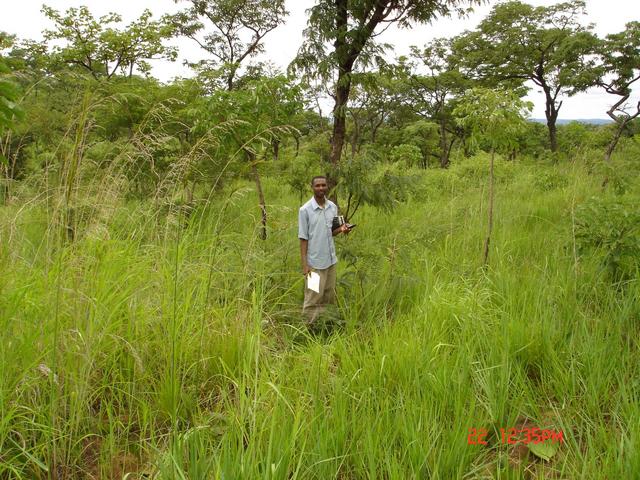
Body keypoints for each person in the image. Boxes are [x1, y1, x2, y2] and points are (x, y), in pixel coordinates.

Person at [298, 175, 351, 329]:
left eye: (323, 185)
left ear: (327, 186)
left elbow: (331, 231)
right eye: (317, 186)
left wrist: (342, 230)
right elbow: (303, 239)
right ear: (312, 187)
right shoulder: (305, 210)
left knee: (328, 296)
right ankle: (307, 330)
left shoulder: (332, 207)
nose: (321, 188)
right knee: (313, 298)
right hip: (314, 265)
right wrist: (305, 265)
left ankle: (326, 326)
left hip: (330, 262)